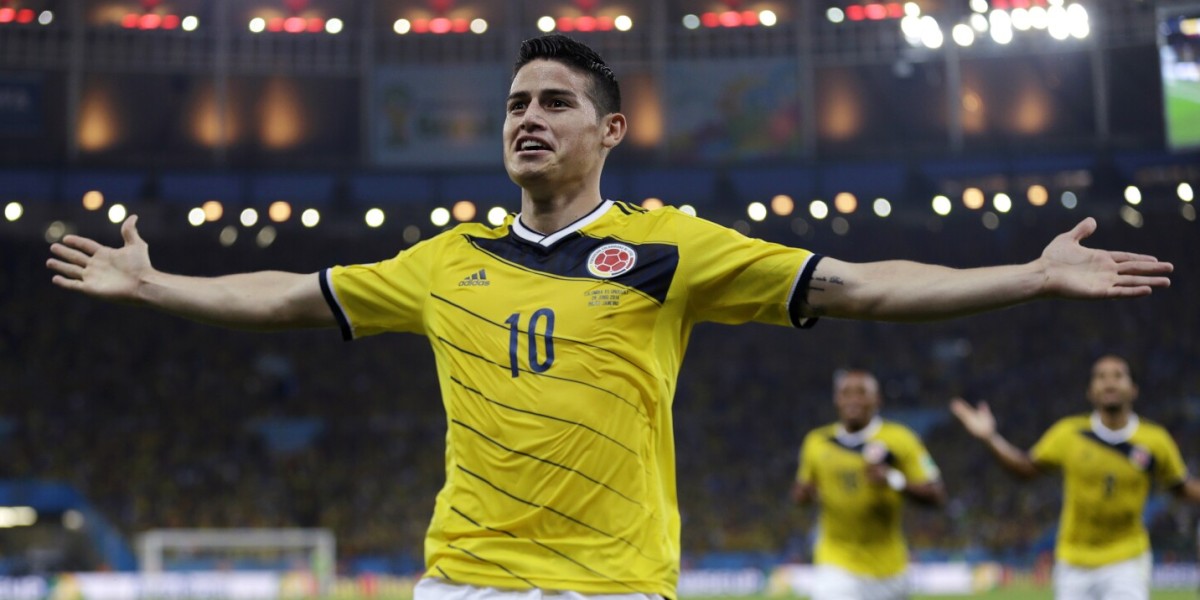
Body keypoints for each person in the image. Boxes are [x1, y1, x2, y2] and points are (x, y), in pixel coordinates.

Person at [46, 34, 1173, 600]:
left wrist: (1028, 276)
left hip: (615, 584)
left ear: (610, 131)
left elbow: (857, 284)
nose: (527, 119)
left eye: (555, 102)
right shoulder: (445, 261)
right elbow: (291, 296)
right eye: (515, 104)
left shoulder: (673, 247)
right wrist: (152, 284)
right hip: (467, 579)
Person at [950, 354, 1200, 600]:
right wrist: (990, 438)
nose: (1109, 382)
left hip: (1127, 559)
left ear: (1134, 389)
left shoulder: (1155, 441)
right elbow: (1025, 470)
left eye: (1118, 376)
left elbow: (1182, 488)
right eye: (1101, 377)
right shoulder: (1068, 434)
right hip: (1074, 562)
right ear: (1090, 392)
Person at [791, 369, 946, 600]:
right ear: (836, 399)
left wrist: (892, 479)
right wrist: (804, 494)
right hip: (836, 562)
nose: (853, 399)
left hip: (889, 569)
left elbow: (937, 495)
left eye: (862, 393)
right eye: (846, 393)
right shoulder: (816, 442)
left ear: (877, 399)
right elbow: (801, 492)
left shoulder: (901, 439)